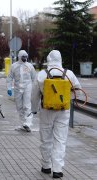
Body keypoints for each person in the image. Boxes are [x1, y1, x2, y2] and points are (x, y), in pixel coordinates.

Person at [31, 50, 81, 178]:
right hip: (63, 111)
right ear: (60, 59)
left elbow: (34, 95)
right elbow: (78, 91)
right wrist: (66, 98)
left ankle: (46, 166)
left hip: (46, 110)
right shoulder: (69, 74)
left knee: (46, 139)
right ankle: (57, 170)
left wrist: (34, 109)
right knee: (60, 140)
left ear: (49, 60)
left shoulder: (42, 74)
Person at [6, 50, 36, 132]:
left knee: (27, 106)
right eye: (23, 57)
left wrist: (34, 89)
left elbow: (34, 78)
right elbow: (9, 78)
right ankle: (23, 124)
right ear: (19, 57)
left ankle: (28, 123)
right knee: (19, 107)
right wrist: (9, 88)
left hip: (27, 87)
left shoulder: (30, 66)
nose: (25, 58)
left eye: (26, 56)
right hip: (17, 88)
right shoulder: (14, 66)